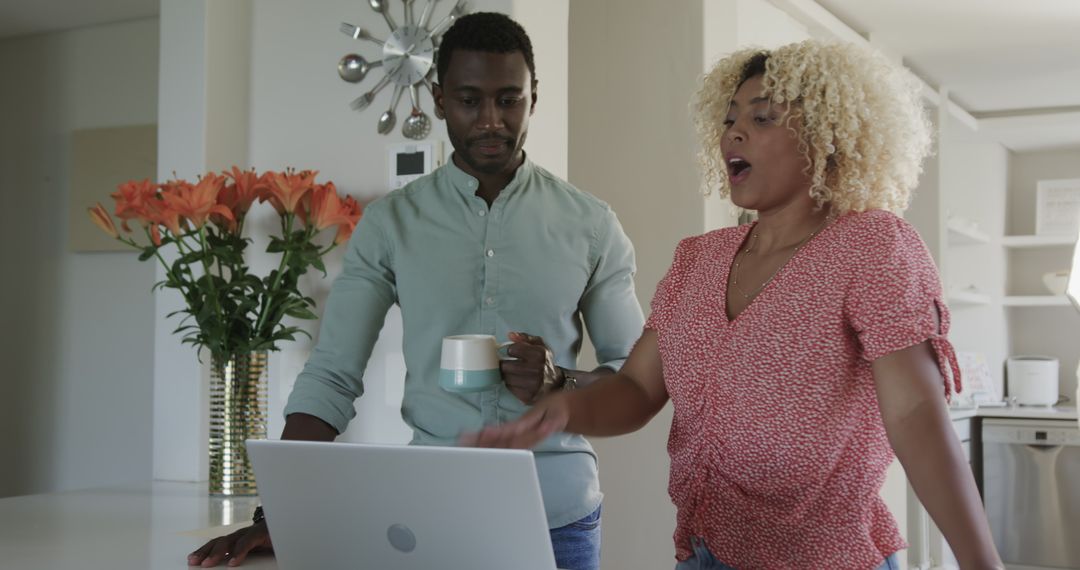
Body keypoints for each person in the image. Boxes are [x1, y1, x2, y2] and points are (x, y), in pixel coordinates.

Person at [462, 40, 1005, 570]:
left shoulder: (873, 245)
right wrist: (566, 409)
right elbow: (635, 389)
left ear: (828, 138)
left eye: (764, 117)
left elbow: (915, 415)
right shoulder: (698, 259)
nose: (734, 132)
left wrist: (981, 562)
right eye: (729, 118)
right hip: (704, 553)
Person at [187, 12, 644, 570]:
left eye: (509, 100)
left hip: (558, 515)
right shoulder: (391, 224)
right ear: (438, 98)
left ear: (533, 97)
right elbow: (332, 373)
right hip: (428, 515)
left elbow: (635, 379)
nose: (491, 121)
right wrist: (277, 512)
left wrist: (560, 381)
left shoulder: (592, 224)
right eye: (470, 99)